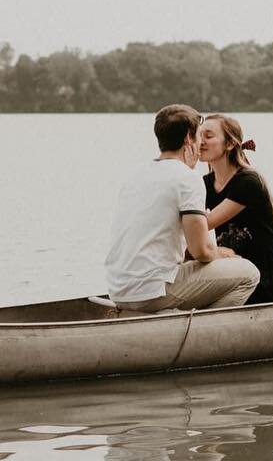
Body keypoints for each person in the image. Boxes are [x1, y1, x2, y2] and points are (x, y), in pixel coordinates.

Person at [104, 105, 260, 315]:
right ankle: (203, 331)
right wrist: (221, 253)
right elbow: (202, 252)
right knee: (249, 273)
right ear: (188, 139)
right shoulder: (187, 178)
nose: (200, 143)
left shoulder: (136, 174)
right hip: (151, 291)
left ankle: (171, 315)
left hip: (118, 289)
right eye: (198, 136)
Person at [198, 113, 273, 304]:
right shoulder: (205, 184)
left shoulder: (248, 182)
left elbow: (203, 224)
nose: (200, 142)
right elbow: (187, 222)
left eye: (209, 136)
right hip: (238, 272)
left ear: (229, 144)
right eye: (198, 135)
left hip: (271, 273)